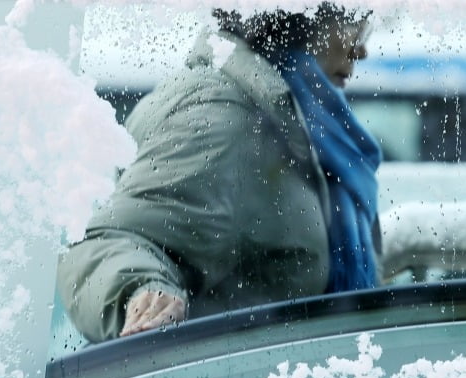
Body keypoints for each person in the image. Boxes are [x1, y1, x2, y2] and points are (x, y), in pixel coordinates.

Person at [58, 4, 382, 342]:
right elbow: (105, 245)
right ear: (303, 15)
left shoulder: (284, 116)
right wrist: (142, 289)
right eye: (355, 22)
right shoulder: (225, 114)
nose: (361, 48)